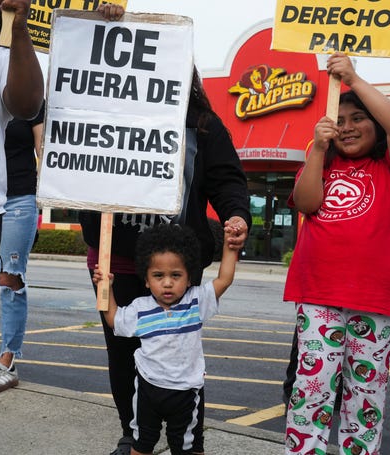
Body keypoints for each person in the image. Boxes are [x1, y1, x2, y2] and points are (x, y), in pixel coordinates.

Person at [79, 5, 251, 455]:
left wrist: (236, 216)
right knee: (124, 353)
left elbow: (228, 179)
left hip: (173, 261)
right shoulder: (99, 110)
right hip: (115, 255)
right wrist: (100, 25)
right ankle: (134, 434)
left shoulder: (203, 125)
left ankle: (187, 438)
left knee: (178, 350)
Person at [282, 52, 390, 455]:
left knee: (365, 399)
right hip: (319, 293)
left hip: (374, 298)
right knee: (311, 393)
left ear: (375, 127)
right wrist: (317, 151)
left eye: (358, 118)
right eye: (339, 121)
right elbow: (307, 203)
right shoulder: (324, 163)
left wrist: (353, 79)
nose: (347, 128)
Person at [93, 223, 238, 455]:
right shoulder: (140, 309)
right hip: (148, 391)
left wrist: (231, 247)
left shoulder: (196, 303)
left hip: (187, 392)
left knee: (189, 446)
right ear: (147, 280)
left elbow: (225, 279)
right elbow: (114, 320)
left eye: (176, 275)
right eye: (158, 276)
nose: (167, 283)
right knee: (141, 444)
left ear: (189, 277)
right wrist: (106, 287)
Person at [0, 0, 43, 373]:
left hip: (13, 198)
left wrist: (44, 194)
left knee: (6, 279)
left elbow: (40, 140)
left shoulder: (13, 70)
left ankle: (7, 356)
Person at [0, 102, 44, 394]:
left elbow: (45, 149)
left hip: (19, 198)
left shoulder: (30, 101)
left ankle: (8, 359)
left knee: (8, 279)